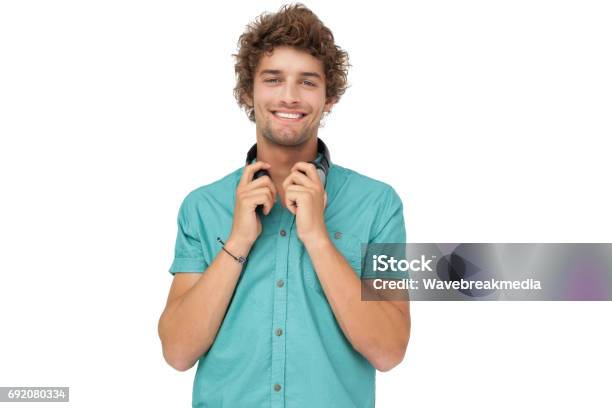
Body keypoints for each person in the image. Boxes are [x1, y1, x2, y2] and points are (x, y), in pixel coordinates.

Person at [158, 4, 410, 407]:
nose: (290, 96)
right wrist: (238, 240)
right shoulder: (201, 208)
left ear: (329, 97)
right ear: (248, 91)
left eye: (308, 82)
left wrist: (318, 238)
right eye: (273, 79)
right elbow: (177, 352)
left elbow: (389, 351)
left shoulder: (379, 205)